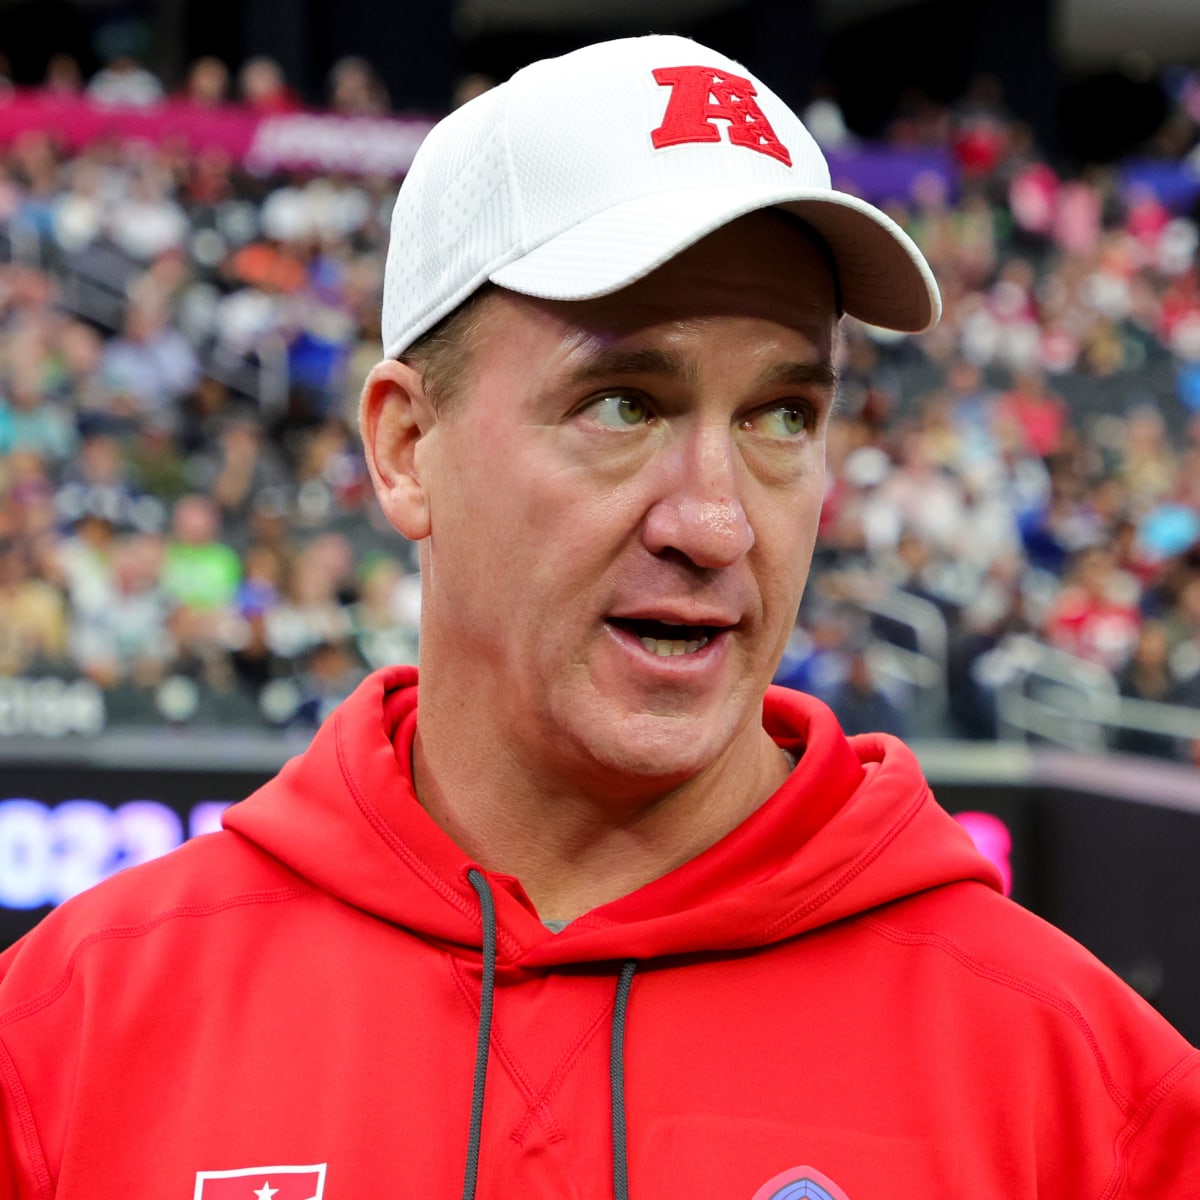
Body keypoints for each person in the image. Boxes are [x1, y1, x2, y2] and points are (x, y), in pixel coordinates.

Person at [1, 34, 1197, 1200]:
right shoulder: (71, 1034)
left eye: (782, 414)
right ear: (407, 449)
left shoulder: (1087, 1088)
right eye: (624, 402)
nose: (716, 524)